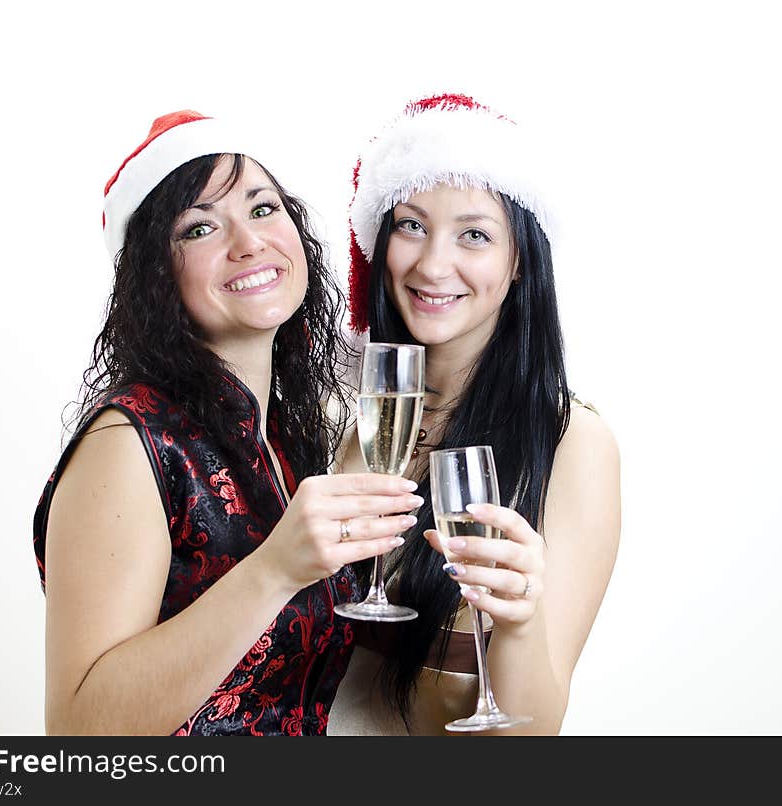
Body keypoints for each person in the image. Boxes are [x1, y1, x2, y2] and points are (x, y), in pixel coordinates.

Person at [32, 110, 425, 736]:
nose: (247, 242)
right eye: (199, 227)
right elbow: (81, 731)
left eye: (263, 209)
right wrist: (274, 570)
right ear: (155, 276)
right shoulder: (129, 445)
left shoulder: (285, 440)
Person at [327, 93, 621, 735]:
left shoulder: (573, 443)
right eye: (410, 225)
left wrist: (518, 620)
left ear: (520, 261)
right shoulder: (338, 417)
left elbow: (533, 737)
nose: (433, 264)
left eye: (474, 235)